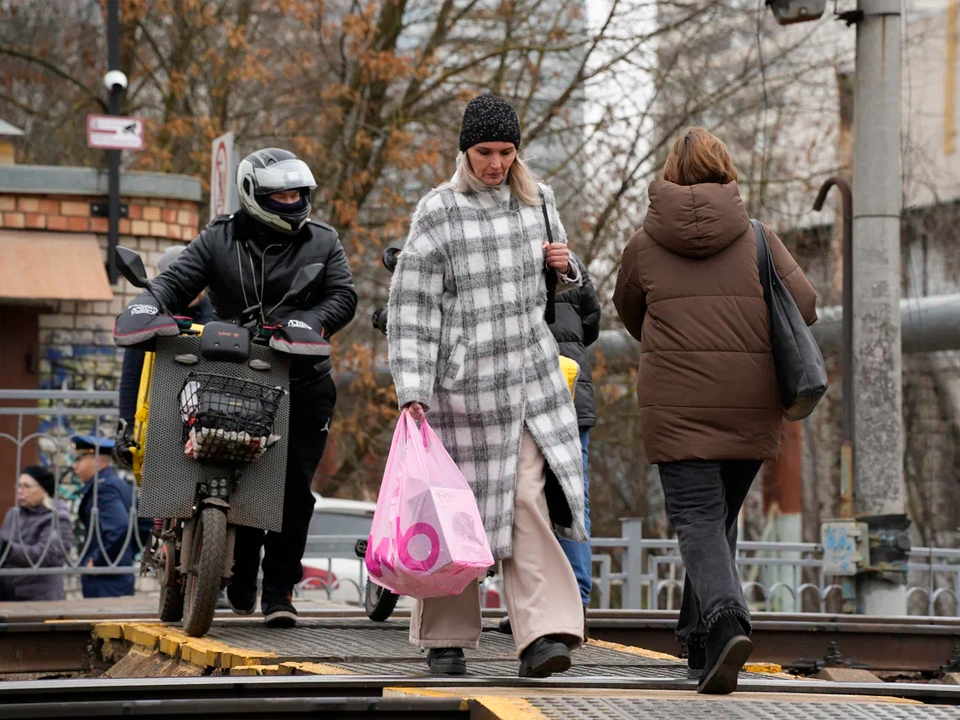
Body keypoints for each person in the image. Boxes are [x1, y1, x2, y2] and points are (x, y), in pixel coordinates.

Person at [112, 148, 358, 627]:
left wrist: (311, 321)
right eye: (281, 195)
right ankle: (239, 572)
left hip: (304, 379)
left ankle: (280, 591)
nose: (292, 202)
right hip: (235, 372)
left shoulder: (324, 240)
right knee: (237, 470)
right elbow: (176, 281)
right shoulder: (218, 237)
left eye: (298, 194)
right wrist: (148, 305)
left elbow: (343, 295)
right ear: (253, 195)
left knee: (293, 488)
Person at [388, 94, 588, 679]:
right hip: (460, 392)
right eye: (484, 152)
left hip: (529, 383)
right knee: (453, 512)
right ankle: (445, 641)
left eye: (506, 151)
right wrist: (413, 388)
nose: (496, 163)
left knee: (527, 499)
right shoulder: (439, 210)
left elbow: (565, 285)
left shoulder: (540, 201)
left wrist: (566, 267)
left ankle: (543, 634)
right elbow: (412, 306)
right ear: (465, 151)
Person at [613, 127, 818, 694]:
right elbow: (805, 305)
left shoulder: (643, 244)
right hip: (751, 402)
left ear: (669, 175)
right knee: (715, 519)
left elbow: (629, 314)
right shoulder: (758, 238)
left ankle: (727, 621)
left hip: (676, 403)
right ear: (726, 171)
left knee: (699, 519)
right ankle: (700, 644)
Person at [499, 250, 601, 638]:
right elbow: (590, 322)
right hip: (572, 391)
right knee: (572, 497)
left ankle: (537, 605)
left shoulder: (498, 253)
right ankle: (575, 602)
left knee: (518, 497)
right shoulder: (566, 261)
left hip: (519, 393)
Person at [117, 244, 213, 428]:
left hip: (207, 420)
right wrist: (127, 425)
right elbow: (132, 376)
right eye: (184, 281)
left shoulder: (218, 315)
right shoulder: (148, 316)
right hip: (158, 418)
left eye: (196, 279)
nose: (191, 288)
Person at [74, 435, 139, 598]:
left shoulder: (104, 488)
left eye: (79, 459)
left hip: (104, 578)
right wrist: (127, 553)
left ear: (97, 460)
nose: (75, 466)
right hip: (117, 574)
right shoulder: (118, 483)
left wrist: (99, 561)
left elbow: (120, 526)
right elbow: (144, 523)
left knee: (102, 616)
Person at [0, 466, 74, 601]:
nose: (20, 491)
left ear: (44, 491)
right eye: (19, 486)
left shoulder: (57, 518)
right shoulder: (14, 514)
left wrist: (7, 549)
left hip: (38, 596)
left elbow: (49, 555)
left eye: (27, 486)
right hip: (8, 593)